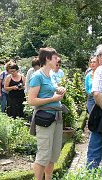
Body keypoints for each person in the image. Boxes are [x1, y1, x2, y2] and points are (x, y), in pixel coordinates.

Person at [28, 47, 67, 180]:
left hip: (57, 118)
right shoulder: (37, 76)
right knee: (44, 154)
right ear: (47, 59)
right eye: (55, 58)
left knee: (53, 154)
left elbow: (53, 88)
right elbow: (31, 101)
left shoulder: (51, 74)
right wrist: (53, 99)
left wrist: (59, 89)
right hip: (45, 119)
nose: (58, 60)